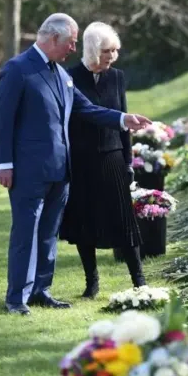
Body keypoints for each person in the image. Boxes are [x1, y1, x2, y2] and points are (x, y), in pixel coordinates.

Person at [0, 13, 151, 316]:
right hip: (28, 171)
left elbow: (87, 109)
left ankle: (41, 290)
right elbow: (2, 122)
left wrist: (122, 119)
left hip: (61, 171)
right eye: (71, 43)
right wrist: (3, 164)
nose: (74, 50)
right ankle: (16, 298)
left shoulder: (62, 75)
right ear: (53, 38)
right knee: (26, 232)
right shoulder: (17, 70)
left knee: (49, 233)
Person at [58, 22, 145, 299]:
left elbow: (124, 120)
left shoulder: (117, 77)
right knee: (85, 223)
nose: (113, 56)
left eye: (116, 50)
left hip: (112, 157)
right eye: (108, 50)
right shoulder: (70, 77)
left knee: (125, 222)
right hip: (82, 161)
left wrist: (129, 162)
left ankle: (139, 281)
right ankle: (91, 283)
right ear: (94, 49)